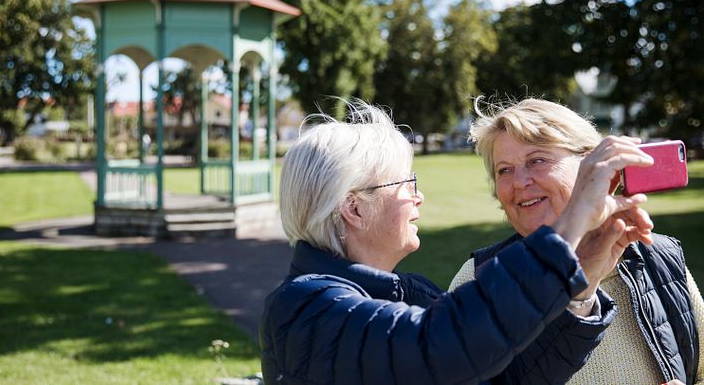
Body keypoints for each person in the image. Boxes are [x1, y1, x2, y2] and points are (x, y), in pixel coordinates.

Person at [260, 99, 655, 385]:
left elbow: (507, 378)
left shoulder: (411, 295)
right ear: (354, 209)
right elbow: (440, 351)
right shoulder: (303, 309)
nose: (419, 197)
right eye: (405, 183)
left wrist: (582, 279)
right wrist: (569, 227)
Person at [450, 98, 704, 384]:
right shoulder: (477, 279)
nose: (519, 182)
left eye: (537, 161)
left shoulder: (661, 257)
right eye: (504, 170)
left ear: (591, 165)